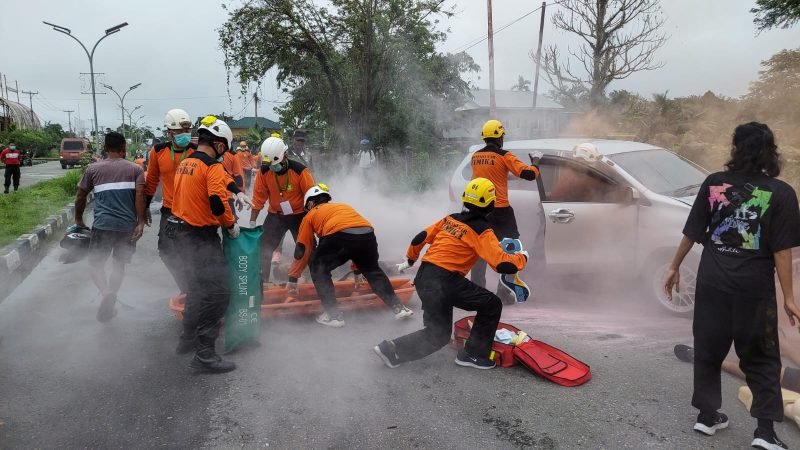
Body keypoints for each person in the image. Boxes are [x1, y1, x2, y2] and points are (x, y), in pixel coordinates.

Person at [663, 122, 800, 450]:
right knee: (763, 357)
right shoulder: (781, 193)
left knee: (708, 349)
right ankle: (764, 433)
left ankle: (707, 417)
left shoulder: (714, 183)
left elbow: (692, 231)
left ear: (737, 149)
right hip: (753, 290)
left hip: (712, 283)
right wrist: (789, 298)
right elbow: (782, 251)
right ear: (770, 152)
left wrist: (674, 266)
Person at [373, 178, 528, 369]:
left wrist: (411, 259)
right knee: (492, 304)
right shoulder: (482, 229)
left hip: (424, 277)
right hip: (445, 281)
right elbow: (502, 264)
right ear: (491, 204)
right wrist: (522, 258)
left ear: (465, 199)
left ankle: (392, 350)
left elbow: (419, 238)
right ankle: (472, 355)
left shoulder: (450, 219)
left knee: (437, 334)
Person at [168, 115, 240, 373]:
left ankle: (187, 340)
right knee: (219, 293)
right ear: (220, 145)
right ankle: (205, 354)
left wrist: (238, 190)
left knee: (197, 289)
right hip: (201, 237)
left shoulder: (186, 163)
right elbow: (218, 203)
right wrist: (230, 226)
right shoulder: (213, 167)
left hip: (181, 234)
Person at [289, 184, 414, 327]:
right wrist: (357, 270)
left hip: (338, 235)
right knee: (373, 271)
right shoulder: (343, 207)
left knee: (318, 268)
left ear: (310, 203)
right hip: (367, 234)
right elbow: (355, 236)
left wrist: (293, 277)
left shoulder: (311, 214)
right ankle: (398, 308)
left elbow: (302, 248)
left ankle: (333, 315)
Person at [73, 132, 145, 322]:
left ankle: (106, 293)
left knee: (95, 264)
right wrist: (140, 222)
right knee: (119, 264)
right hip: (127, 226)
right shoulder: (135, 169)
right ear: (124, 148)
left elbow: (81, 196)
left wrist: (79, 218)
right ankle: (112, 293)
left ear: (105, 148)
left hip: (103, 225)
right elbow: (140, 196)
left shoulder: (93, 169)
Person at [469, 120, 538, 302]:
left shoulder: (475, 157)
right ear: (500, 137)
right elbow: (528, 174)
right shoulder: (504, 156)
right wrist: (537, 162)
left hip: (480, 212)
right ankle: (504, 292)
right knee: (510, 250)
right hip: (500, 212)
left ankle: (477, 293)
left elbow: (489, 175)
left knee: (480, 252)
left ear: (485, 137)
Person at [249, 136, 316, 285]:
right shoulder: (264, 172)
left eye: (276, 164)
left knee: (308, 249)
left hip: (299, 215)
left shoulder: (300, 171)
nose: (273, 167)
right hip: (276, 215)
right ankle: (263, 282)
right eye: (271, 164)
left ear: (285, 155)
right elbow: (258, 198)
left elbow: (311, 196)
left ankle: (314, 280)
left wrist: (312, 221)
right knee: (263, 248)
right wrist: (252, 221)